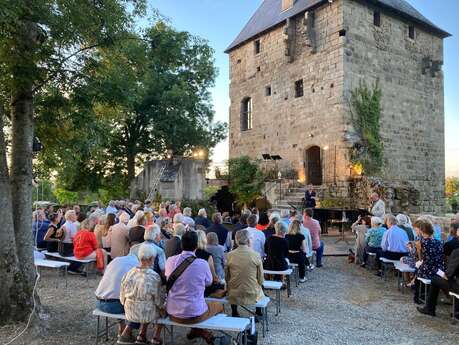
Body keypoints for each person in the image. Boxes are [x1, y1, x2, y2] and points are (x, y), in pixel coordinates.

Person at [165, 231, 222, 344]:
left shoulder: (170, 260)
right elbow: (209, 282)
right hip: (194, 314)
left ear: (181, 245)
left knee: (198, 303)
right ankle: (202, 331)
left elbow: (168, 278)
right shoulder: (202, 263)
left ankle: (196, 331)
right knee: (219, 306)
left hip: (173, 313)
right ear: (196, 245)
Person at [118, 244, 164, 345]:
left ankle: (141, 336)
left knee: (147, 303)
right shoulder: (154, 276)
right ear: (152, 258)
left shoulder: (129, 273)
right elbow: (158, 301)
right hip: (147, 314)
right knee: (162, 308)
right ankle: (155, 337)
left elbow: (122, 298)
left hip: (130, 313)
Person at [95, 245, 139, 339]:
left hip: (99, 302)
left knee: (118, 292)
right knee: (140, 303)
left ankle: (121, 326)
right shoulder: (136, 264)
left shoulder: (116, 260)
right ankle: (128, 332)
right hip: (114, 306)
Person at [226, 229, 265, 318]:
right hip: (251, 292)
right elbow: (260, 278)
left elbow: (227, 276)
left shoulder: (230, 255)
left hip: (234, 293)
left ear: (236, 240)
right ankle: (258, 312)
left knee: (234, 284)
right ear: (248, 240)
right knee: (259, 286)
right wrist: (260, 284)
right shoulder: (256, 255)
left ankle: (234, 312)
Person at [417, 248, 459, 317]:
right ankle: (457, 311)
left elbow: (448, 274)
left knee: (435, 280)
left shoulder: (457, 251)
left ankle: (429, 309)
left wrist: (444, 274)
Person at [413, 219, 445, 304]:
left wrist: (418, 249)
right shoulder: (439, 242)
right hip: (440, 269)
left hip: (429, 269)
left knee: (418, 269)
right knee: (420, 267)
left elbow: (420, 259)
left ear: (422, 231)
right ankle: (424, 294)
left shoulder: (422, 242)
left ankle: (418, 296)